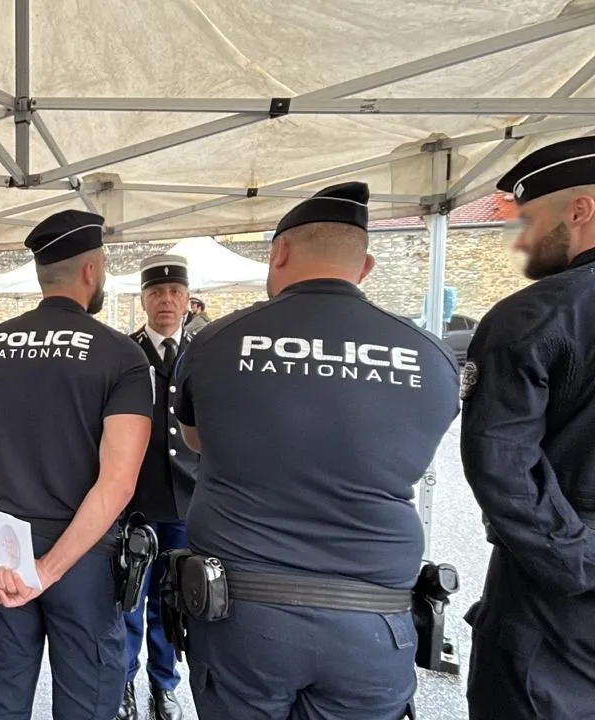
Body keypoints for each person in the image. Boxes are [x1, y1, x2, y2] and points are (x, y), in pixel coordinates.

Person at [173, 182, 459, 719]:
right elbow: (414, 446)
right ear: (365, 266)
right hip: (374, 619)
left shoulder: (218, 341)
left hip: (244, 612)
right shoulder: (429, 355)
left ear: (279, 252)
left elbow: (195, 440)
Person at [0, 209, 153, 719]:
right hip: (83, 557)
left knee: (3, 702)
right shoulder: (120, 355)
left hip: (7, 553)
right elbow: (118, 482)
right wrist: (47, 570)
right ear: (91, 270)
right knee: (86, 704)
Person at [459, 138, 595, 719]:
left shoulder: (537, 313)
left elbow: (500, 466)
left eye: (528, 222)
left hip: (555, 610)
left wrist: (578, 563)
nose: (519, 242)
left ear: (580, 210)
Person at [119, 255, 198, 720]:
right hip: (136, 500)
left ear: (186, 300)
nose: (165, 301)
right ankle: (124, 682)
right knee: (129, 597)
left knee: (172, 602)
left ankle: (164, 684)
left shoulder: (204, 351)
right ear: (144, 300)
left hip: (187, 502)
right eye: (156, 293)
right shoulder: (124, 352)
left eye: (174, 293)